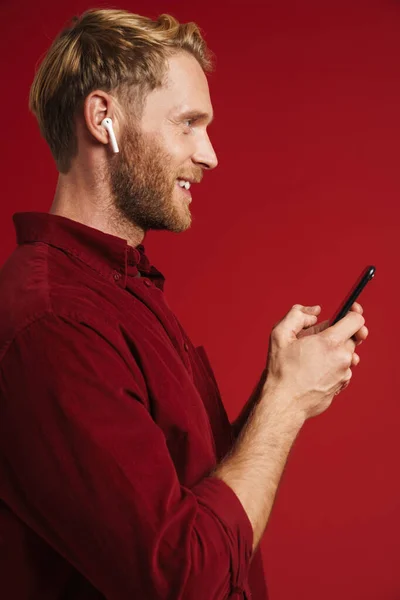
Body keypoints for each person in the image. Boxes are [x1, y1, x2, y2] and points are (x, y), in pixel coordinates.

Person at [0, 8, 368, 600]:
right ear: (104, 120)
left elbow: (195, 500)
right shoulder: (56, 321)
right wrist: (286, 407)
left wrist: (279, 385)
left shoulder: (123, 287)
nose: (210, 155)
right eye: (188, 123)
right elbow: (183, 579)